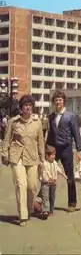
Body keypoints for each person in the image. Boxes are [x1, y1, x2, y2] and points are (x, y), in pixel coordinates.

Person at [1, 95, 45, 226]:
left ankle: (30, 208)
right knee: (21, 184)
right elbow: (6, 139)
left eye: (30, 105)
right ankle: (23, 216)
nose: (28, 107)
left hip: (32, 157)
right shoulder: (13, 122)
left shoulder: (37, 122)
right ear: (21, 107)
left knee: (32, 186)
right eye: (26, 105)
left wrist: (42, 158)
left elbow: (40, 141)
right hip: (17, 156)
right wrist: (4, 154)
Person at [46, 89, 81, 212]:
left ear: (64, 101)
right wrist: (47, 149)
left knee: (69, 176)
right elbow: (50, 134)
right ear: (53, 102)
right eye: (56, 100)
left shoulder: (70, 116)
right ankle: (44, 202)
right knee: (48, 175)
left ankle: (72, 202)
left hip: (66, 149)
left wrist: (79, 149)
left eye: (60, 100)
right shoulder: (51, 117)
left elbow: (76, 133)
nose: (58, 102)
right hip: (53, 149)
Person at [38, 145, 67, 220]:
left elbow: (58, 169)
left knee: (52, 197)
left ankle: (51, 210)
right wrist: (49, 178)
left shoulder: (54, 163)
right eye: (52, 155)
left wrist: (64, 175)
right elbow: (44, 173)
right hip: (46, 183)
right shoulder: (44, 163)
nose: (53, 157)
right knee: (45, 197)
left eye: (54, 155)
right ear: (47, 155)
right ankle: (45, 211)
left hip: (53, 183)